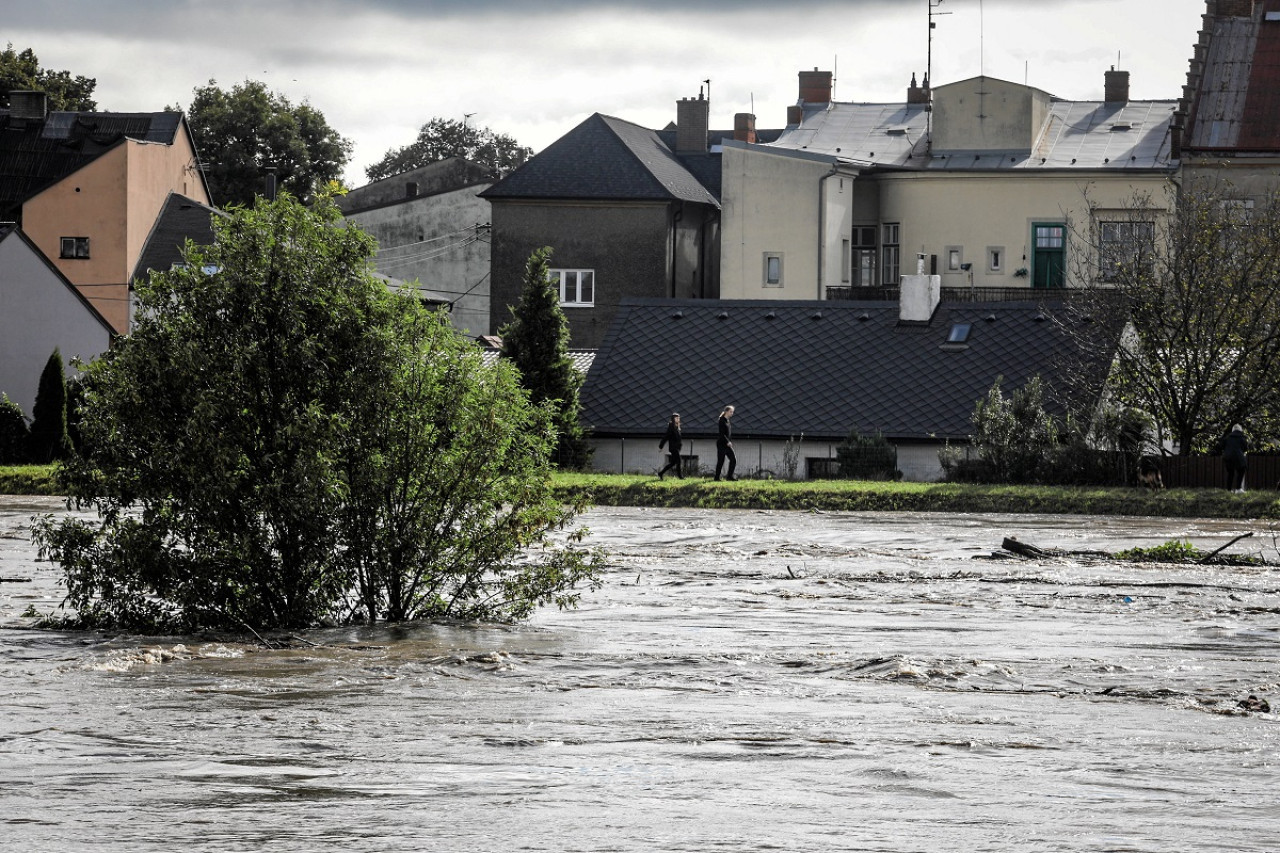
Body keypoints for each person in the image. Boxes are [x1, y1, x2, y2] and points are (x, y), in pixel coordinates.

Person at [1222, 423, 1248, 492]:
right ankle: (1238, 489)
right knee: (1241, 471)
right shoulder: (1242, 438)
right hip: (1238, 457)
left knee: (1230, 473)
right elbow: (1245, 448)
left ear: (1232, 430)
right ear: (1240, 430)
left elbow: (1221, 446)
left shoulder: (1227, 438)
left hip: (1228, 457)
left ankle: (1228, 489)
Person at [714, 405, 737, 481]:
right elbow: (722, 434)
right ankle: (716, 478)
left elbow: (728, 434)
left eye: (732, 412)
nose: (732, 413)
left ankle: (729, 476)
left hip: (727, 444)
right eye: (731, 412)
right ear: (726, 412)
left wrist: (729, 441)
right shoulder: (721, 420)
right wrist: (727, 442)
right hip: (721, 444)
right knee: (721, 461)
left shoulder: (728, 421)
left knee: (733, 459)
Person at [657, 413, 683, 479]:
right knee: (679, 461)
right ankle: (680, 477)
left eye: (678, 418)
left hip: (676, 448)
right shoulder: (671, 427)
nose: (678, 419)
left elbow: (679, 439)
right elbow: (666, 437)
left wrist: (680, 446)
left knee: (673, 463)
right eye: (676, 418)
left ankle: (661, 473)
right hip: (673, 448)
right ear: (673, 419)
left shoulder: (677, 427)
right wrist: (661, 446)